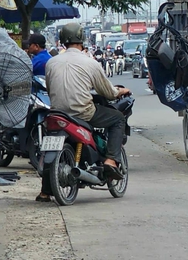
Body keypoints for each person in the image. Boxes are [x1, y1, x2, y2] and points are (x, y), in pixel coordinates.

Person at [36, 22, 130, 202]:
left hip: (57, 113)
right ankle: (111, 160)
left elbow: (50, 89)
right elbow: (108, 92)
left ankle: (45, 192)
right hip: (83, 113)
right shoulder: (90, 63)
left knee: (50, 146)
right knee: (117, 118)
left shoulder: (51, 62)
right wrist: (121, 91)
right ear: (82, 39)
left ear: (62, 40)